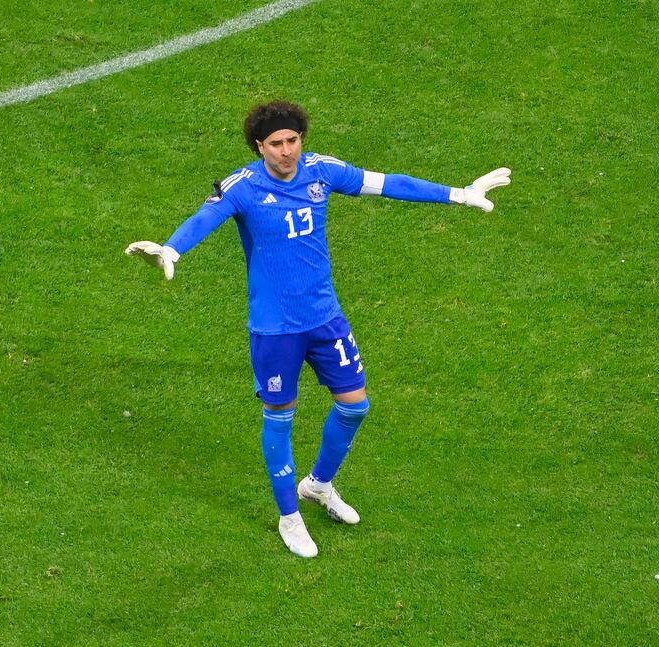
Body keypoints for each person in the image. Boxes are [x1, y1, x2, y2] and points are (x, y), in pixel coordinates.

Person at [126, 100, 510, 558]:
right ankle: (290, 518)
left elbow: (388, 185)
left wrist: (459, 193)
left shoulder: (322, 172)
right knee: (280, 418)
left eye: (293, 140)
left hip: (325, 318)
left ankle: (318, 486)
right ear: (258, 147)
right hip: (275, 330)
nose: (287, 151)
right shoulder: (243, 187)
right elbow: (205, 218)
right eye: (276, 144)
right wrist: (171, 251)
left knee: (355, 406)